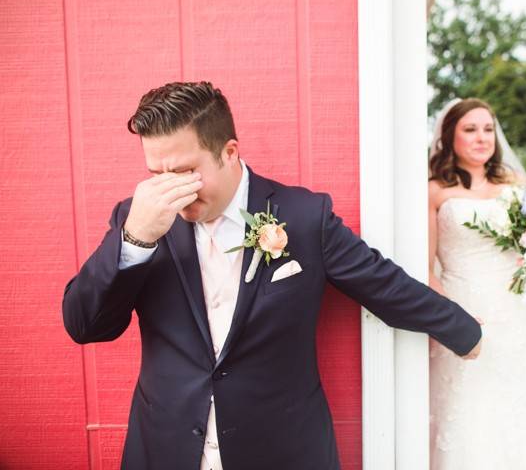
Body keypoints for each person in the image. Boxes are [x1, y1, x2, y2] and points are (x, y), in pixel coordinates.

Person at [61, 82, 481, 470]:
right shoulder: (136, 218)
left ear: (229, 152)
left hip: (282, 450)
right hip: (165, 449)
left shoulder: (303, 216)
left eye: (186, 172)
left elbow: (383, 284)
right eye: (158, 175)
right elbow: (85, 325)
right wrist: (135, 238)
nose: (174, 191)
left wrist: (463, 331)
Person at [427, 98, 526, 469]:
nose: (482, 138)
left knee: (524, 405)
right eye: (470, 129)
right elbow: (425, 267)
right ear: (450, 136)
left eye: (488, 129)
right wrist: (449, 317)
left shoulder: (515, 184)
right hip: (467, 308)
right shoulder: (435, 190)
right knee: (471, 405)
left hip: (519, 311)